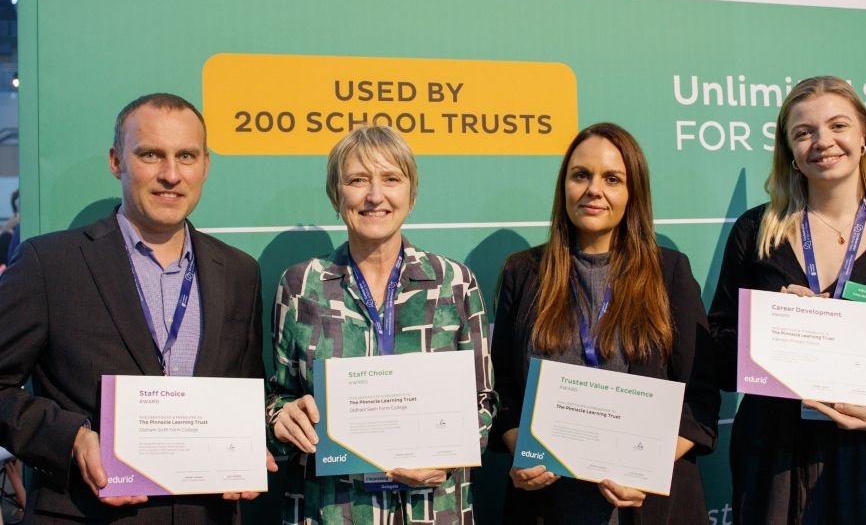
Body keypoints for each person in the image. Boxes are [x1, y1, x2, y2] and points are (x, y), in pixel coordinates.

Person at [0, 93, 270, 523]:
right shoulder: (48, 265)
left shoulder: (239, 272)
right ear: (116, 161)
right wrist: (71, 439)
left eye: (186, 156)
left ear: (205, 165)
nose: (170, 174)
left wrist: (252, 445)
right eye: (150, 154)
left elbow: (246, 390)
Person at [709, 75, 866, 524]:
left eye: (838, 126)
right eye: (803, 133)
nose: (822, 141)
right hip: (776, 460)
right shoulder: (755, 233)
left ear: (864, 136)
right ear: (789, 152)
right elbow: (719, 353)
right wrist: (770, 325)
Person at [265, 125, 496, 524]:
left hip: (435, 508)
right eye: (357, 180)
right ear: (336, 196)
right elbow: (280, 397)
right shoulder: (301, 286)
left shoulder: (453, 283)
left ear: (411, 193)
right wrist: (281, 419)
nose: (375, 196)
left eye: (391, 179)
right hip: (331, 511)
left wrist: (450, 455)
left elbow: (484, 401)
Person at [491, 122, 719, 523]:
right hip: (549, 505)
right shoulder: (524, 272)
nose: (594, 189)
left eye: (612, 179)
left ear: (633, 194)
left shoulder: (669, 272)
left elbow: (699, 400)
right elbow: (505, 391)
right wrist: (520, 453)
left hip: (645, 506)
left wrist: (644, 471)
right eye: (581, 175)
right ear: (565, 187)